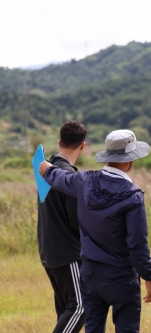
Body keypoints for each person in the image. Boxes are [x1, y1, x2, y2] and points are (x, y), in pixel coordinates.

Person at [39, 129, 151, 333]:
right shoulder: (133, 196)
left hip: (90, 274)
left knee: (93, 329)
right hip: (121, 276)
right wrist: (150, 277)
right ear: (130, 160)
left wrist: (46, 169)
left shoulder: (83, 181)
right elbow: (137, 244)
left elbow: (60, 178)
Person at [37, 121, 86, 333]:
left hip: (49, 251)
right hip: (68, 254)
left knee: (65, 310)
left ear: (59, 142)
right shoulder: (68, 176)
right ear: (82, 146)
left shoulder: (44, 170)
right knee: (81, 307)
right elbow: (78, 219)